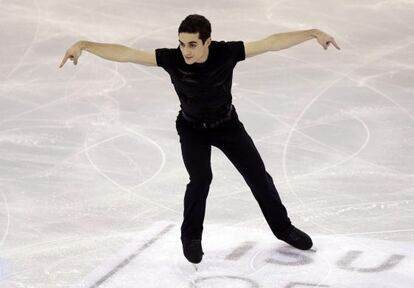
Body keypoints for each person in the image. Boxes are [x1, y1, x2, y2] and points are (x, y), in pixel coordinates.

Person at [60, 14, 340, 264]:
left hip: (227, 125)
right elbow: (127, 53)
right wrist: (85, 44)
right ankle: (191, 239)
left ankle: (283, 228)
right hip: (191, 128)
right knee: (200, 179)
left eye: (192, 44)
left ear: (208, 42)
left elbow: (270, 42)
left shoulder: (226, 53)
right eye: (182, 44)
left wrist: (312, 32)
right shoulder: (171, 59)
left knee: (258, 176)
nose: (186, 51)